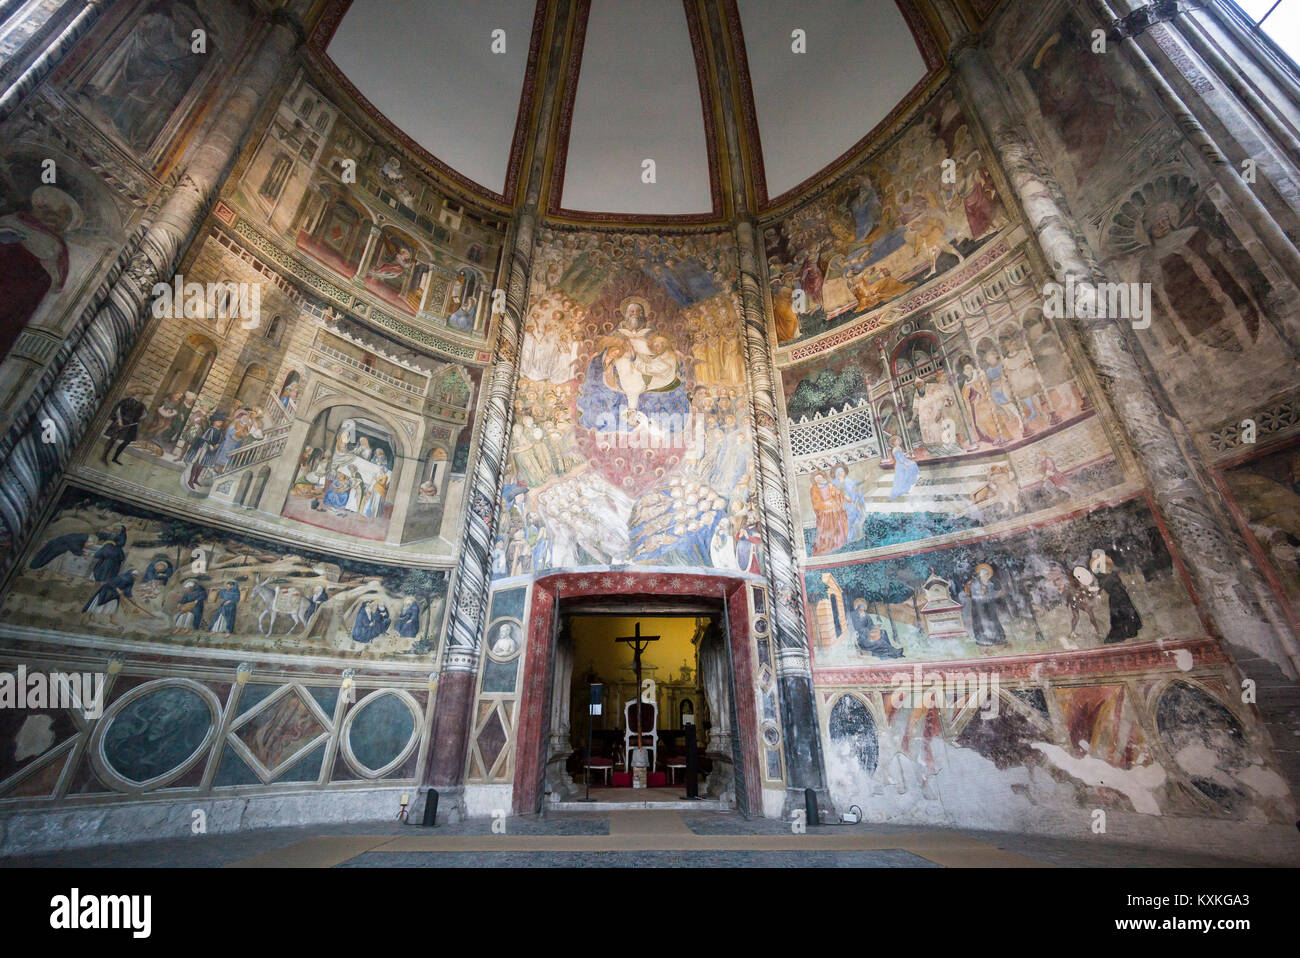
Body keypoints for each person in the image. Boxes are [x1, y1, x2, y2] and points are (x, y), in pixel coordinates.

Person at [1091, 549, 1142, 642]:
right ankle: (1125, 633)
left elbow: (1117, 582)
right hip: (1116, 596)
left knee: (1124, 613)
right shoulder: (1102, 576)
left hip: (1119, 594)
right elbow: (1103, 586)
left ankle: (1129, 632)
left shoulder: (1111, 573)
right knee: (1119, 615)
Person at [101, 391, 147, 465]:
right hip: (122, 422)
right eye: (140, 395)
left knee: (127, 441)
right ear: (135, 394)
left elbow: (144, 414)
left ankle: (115, 458)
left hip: (131, 425)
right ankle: (104, 457)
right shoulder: (126, 401)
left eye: (142, 396)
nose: (141, 397)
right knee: (113, 438)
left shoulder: (141, 405)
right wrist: (119, 420)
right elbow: (118, 410)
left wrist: (139, 419)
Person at [967, 563, 1006, 646]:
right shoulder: (975, 584)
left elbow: (991, 594)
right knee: (982, 622)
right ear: (980, 575)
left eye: (987, 574)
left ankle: (997, 637)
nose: (986, 576)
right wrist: (984, 595)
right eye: (984, 574)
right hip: (979, 607)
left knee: (993, 620)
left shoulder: (990, 584)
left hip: (989, 606)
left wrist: (998, 593)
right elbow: (975, 596)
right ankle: (984, 638)